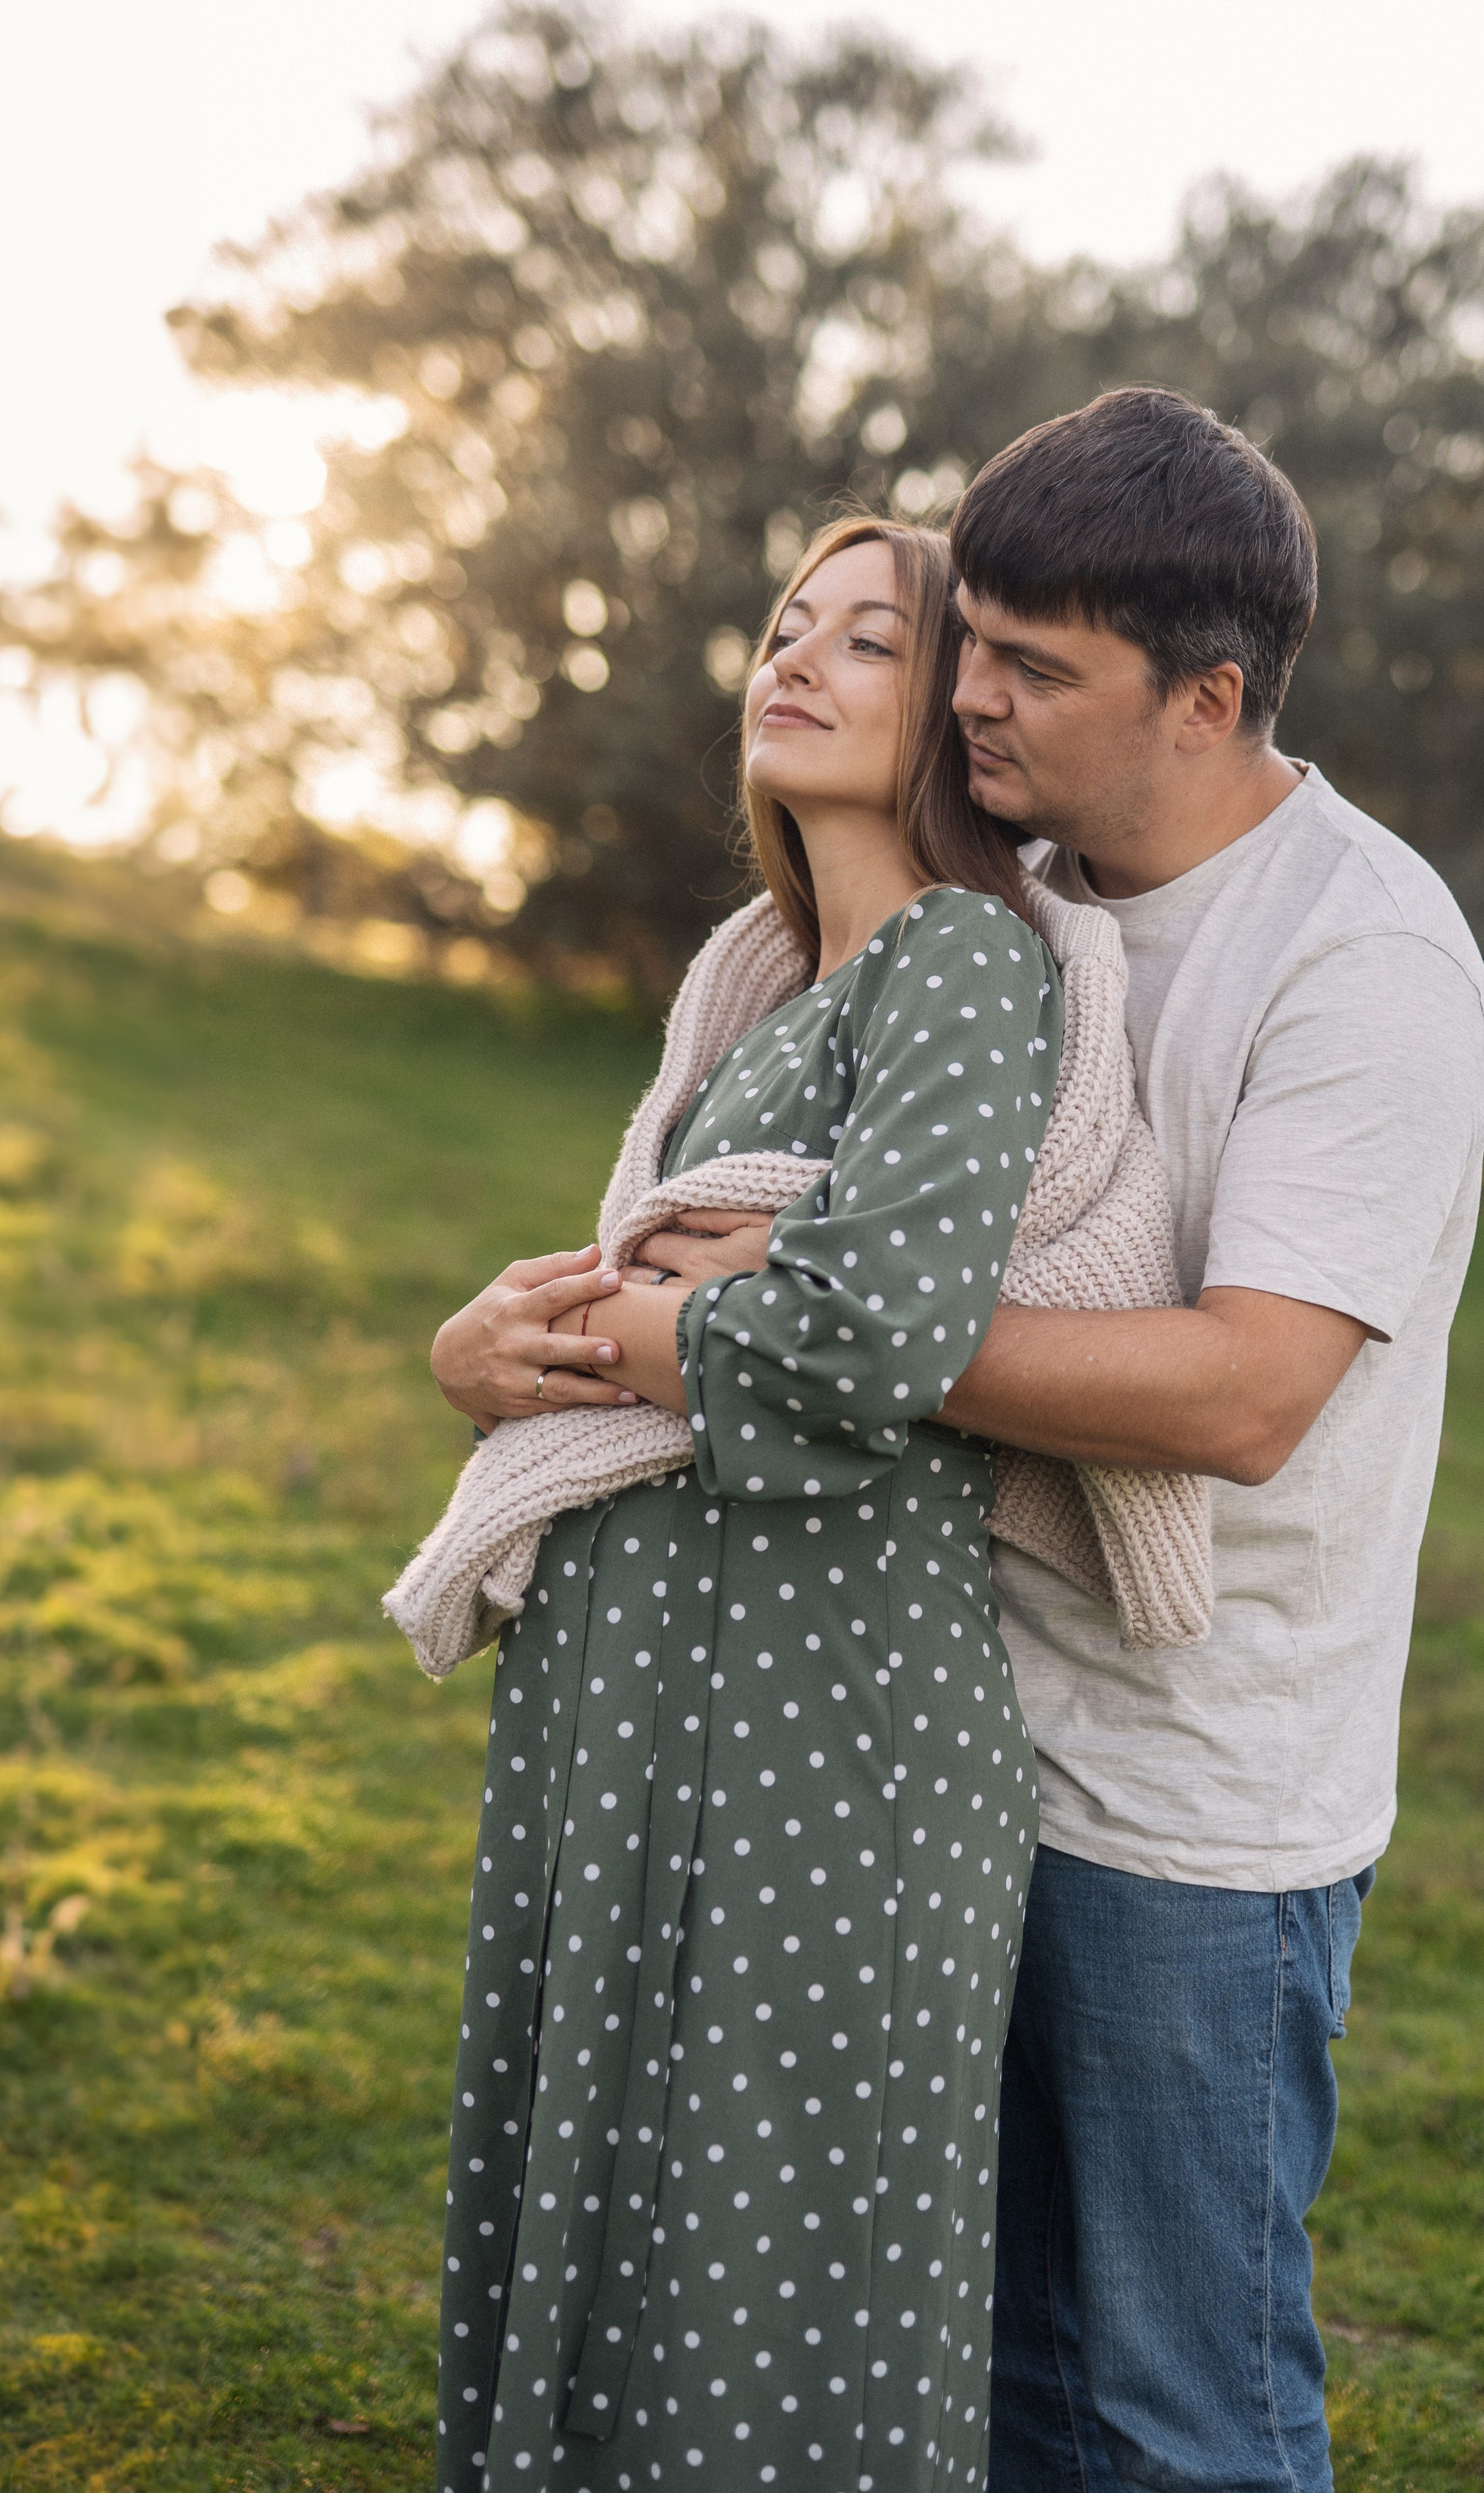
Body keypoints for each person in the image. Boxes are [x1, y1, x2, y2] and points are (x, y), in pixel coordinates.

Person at [420, 518, 1070, 2492]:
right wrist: (502, 1347)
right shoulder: (778, 989)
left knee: (768, 2288)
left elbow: (866, 1336)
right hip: (653, 1706)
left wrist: (631, 1313)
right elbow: (661, 1297)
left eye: (870, 638)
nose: (795, 656)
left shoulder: (958, 960)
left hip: (820, 1739)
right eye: (789, 626)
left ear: (958, 702)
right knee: (621, 2242)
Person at [925, 387, 1484, 2493]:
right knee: (996, 2384)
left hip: (1197, 1805)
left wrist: (822, 1340)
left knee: (1185, 2412)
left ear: (1209, 696)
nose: (963, 693)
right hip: (956, 1741)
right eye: (969, 635)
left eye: (1030, 665)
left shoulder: (1364, 956)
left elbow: (1248, 1390)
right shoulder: (1004, 885)